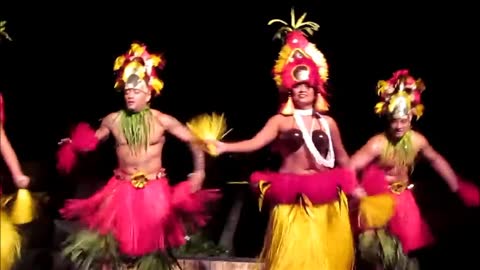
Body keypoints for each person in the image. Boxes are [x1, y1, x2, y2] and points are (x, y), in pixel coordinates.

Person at [210, 10, 362, 270]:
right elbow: (255, 142)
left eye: (308, 86)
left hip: (324, 199)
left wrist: (355, 184)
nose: (302, 90)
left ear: (316, 89)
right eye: (298, 86)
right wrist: (225, 146)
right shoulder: (280, 121)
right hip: (292, 198)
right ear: (290, 88)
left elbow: (343, 157)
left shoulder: (328, 123)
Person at [56, 42, 221, 269]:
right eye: (127, 91)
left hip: (154, 191)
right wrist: (76, 144)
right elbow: (94, 140)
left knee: (152, 252)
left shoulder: (161, 119)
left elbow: (194, 141)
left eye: (136, 91)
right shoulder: (112, 120)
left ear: (149, 94)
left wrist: (199, 171)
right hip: (120, 190)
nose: (130, 95)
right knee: (112, 248)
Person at [349, 69, 479, 269]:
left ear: (412, 116)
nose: (399, 126)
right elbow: (350, 167)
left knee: (406, 255)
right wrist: (357, 189)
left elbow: (436, 160)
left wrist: (457, 186)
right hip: (378, 204)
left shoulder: (418, 141)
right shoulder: (377, 144)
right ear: (387, 118)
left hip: (404, 202)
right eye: (394, 120)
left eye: (404, 120)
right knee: (378, 254)